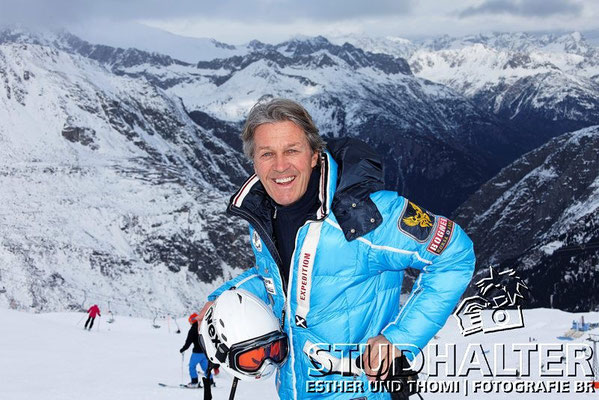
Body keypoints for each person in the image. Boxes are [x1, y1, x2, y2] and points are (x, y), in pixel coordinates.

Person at [198, 98, 475, 399]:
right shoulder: (266, 212)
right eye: (267, 154)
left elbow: (453, 254)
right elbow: (278, 279)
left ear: (315, 154)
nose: (280, 166)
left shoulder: (365, 215)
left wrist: (399, 340)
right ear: (254, 161)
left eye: (292, 150)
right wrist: (223, 298)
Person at [180, 313, 212, 388]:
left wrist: (183, 349)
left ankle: (194, 382)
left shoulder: (192, 330)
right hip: (205, 352)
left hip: (197, 353)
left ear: (193, 320)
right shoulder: (203, 327)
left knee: (192, 366)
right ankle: (210, 382)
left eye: (190, 321)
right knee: (205, 368)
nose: (189, 322)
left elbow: (188, 342)